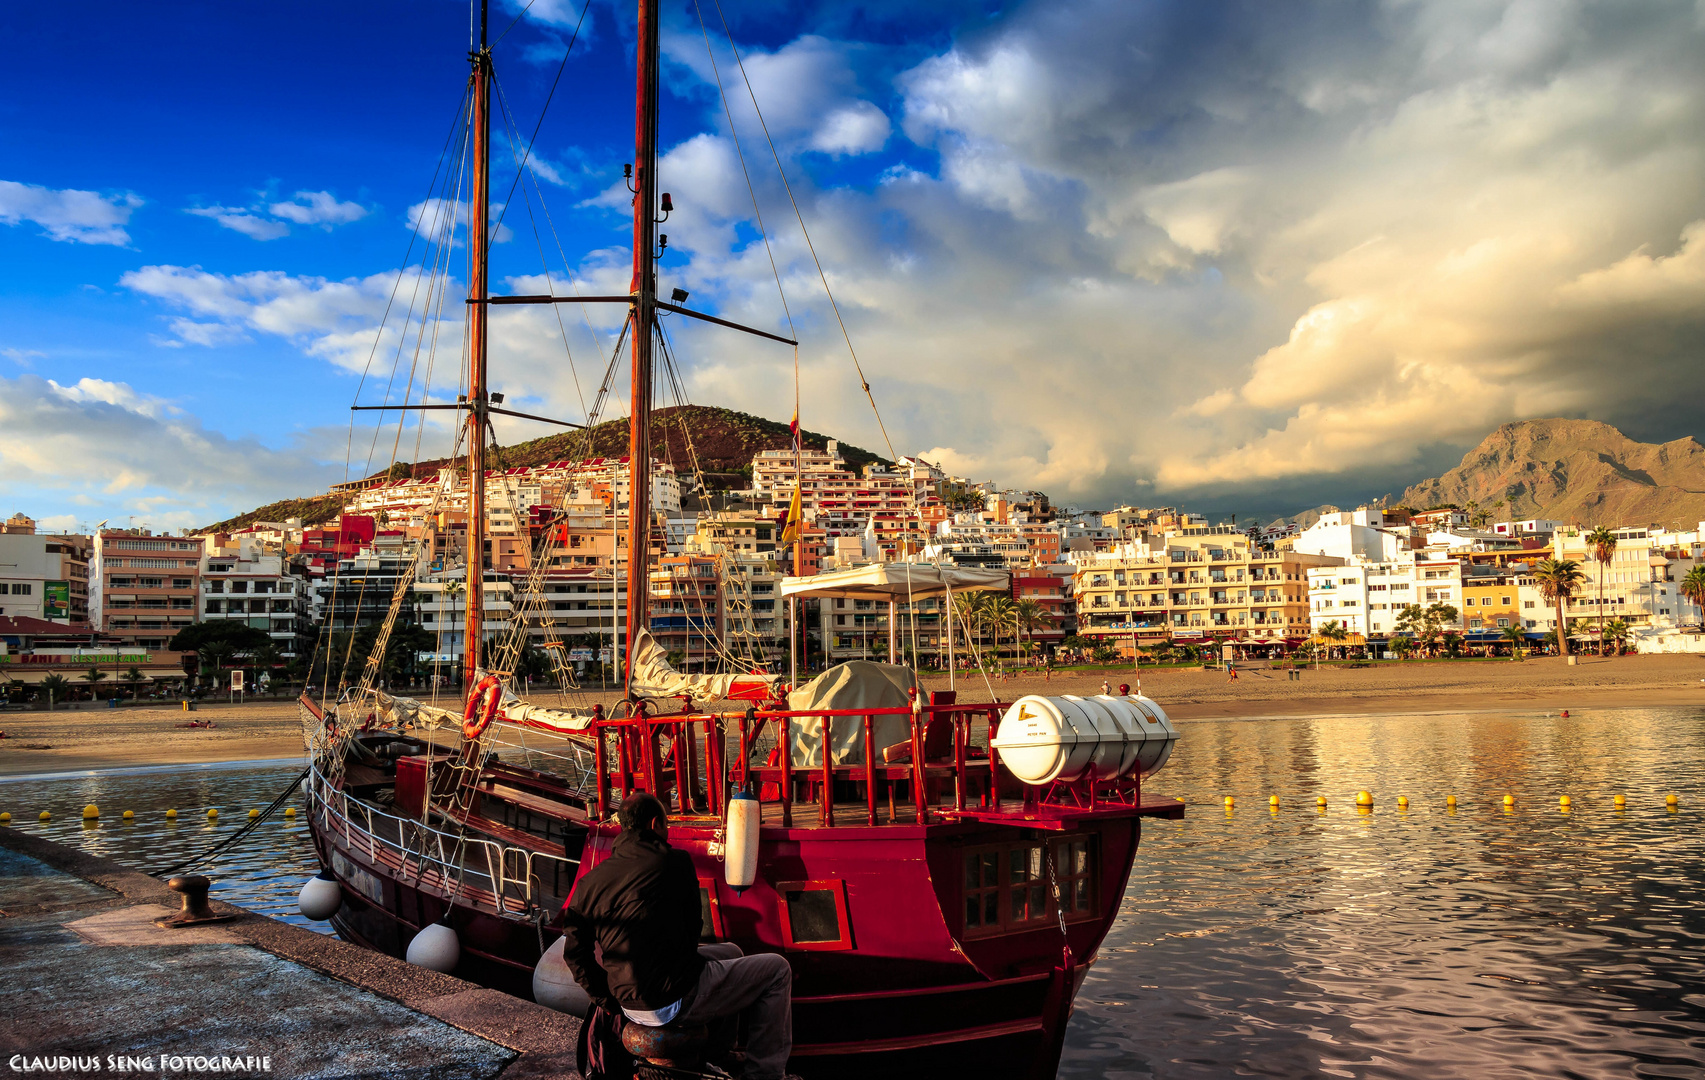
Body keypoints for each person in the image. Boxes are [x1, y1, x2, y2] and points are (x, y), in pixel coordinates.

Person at [561, 792, 793, 1080]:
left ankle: (717, 1053)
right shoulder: (675, 862)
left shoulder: (590, 882)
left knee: (731, 951)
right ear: (656, 823)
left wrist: (609, 1000)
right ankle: (765, 1074)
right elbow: (692, 930)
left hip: (627, 1000)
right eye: (666, 823)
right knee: (777, 970)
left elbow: (574, 954)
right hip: (670, 1000)